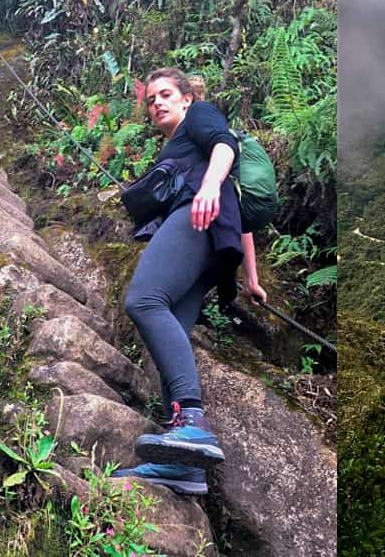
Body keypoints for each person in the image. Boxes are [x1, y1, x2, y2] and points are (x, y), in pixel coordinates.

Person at [111, 68, 268, 495]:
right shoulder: (183, 149)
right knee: (172, 332)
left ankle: (192, 426)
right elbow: (243, 216)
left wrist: (208, 187)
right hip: (215, 239)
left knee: (144, 300)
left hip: (199, 221)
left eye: (166, 94)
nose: (157, 103)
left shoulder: (199, 119)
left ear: (186, 98)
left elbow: (226, 147)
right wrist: (251, 279)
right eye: (151, 100)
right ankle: (184, 466)